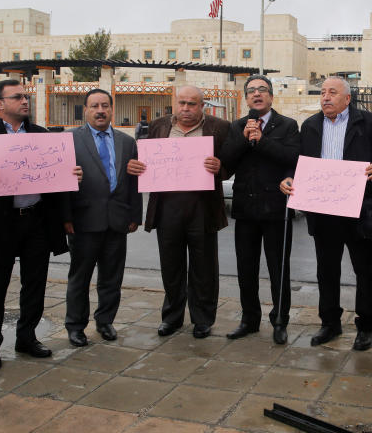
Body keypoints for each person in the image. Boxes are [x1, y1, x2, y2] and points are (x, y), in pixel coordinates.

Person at [0, 79, 81, 372]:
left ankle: (27, 337)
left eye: (26, 97)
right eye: (18, 97)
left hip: (36, 220)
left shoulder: (42, 135)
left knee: (35, 286)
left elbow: (59, 179)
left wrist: (71, 174)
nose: (25, 101)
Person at [280, 76, 372, 350]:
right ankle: (329, 323)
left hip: (359, 210)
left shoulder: (368, 122)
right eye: (323, 92)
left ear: (347, 99)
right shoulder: (310, 126)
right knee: (326, 270)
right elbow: (299, 163)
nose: (325, 97)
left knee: (365, 270)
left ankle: (365, 326)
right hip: (323, 210)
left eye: (332, 92)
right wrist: (289, 178)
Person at [127, 86, 231, 339]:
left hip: (203, 208)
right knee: (171, 266)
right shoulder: (158, 127)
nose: (186, 109)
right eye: (182, 103)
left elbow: (230, 165)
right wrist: (136, 166)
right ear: (174, 104)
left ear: (202, 106)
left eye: (192, 104)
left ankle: (203, 320)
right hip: (167, 208)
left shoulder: (219, 127)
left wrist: (221, 167)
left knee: (204, 268)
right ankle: (171, 318)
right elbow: (143, 161)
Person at [221, 75, 300, 345]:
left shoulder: (288, 125)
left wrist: (262, 140)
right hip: (245, 210)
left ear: (271, 96)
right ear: (246, 98)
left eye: (262, 90)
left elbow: (293, 159)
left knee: (279, 269)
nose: (257, 94)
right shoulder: (238, 126)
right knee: (246, 268)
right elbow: (226, 165)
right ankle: (249, 319)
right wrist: (244, 139)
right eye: (251, 91)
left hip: (277, 210)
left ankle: (280, 320)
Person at [62, 89, 142, 347]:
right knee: (80, 277)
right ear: (85, 110)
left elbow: (133, 182)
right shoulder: (70, 140)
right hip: (83, 221)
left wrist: (134, 215)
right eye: (95, 106)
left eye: (105, 105)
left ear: (111, 109)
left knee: (111, 278)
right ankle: (75, 326)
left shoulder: (126, 142)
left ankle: (105, 321)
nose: (100, 110)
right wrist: (65, 216)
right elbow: (61, 183)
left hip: (117, 221)